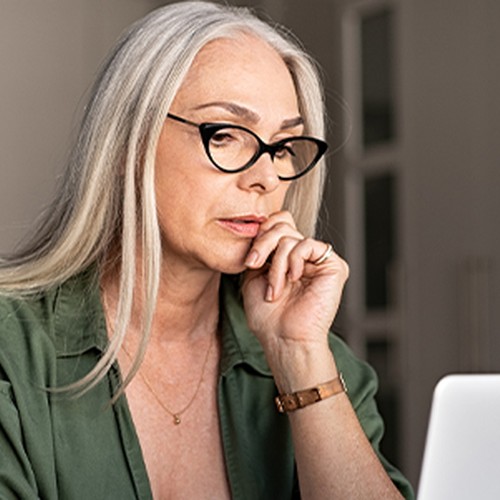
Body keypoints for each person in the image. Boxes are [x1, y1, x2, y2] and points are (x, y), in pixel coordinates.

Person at [0, 2, 414, 498]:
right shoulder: (13, 354)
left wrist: (300, 359)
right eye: (226, 135)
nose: (265, 177)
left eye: (282, 147)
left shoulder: (321, 362)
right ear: (130, 140)